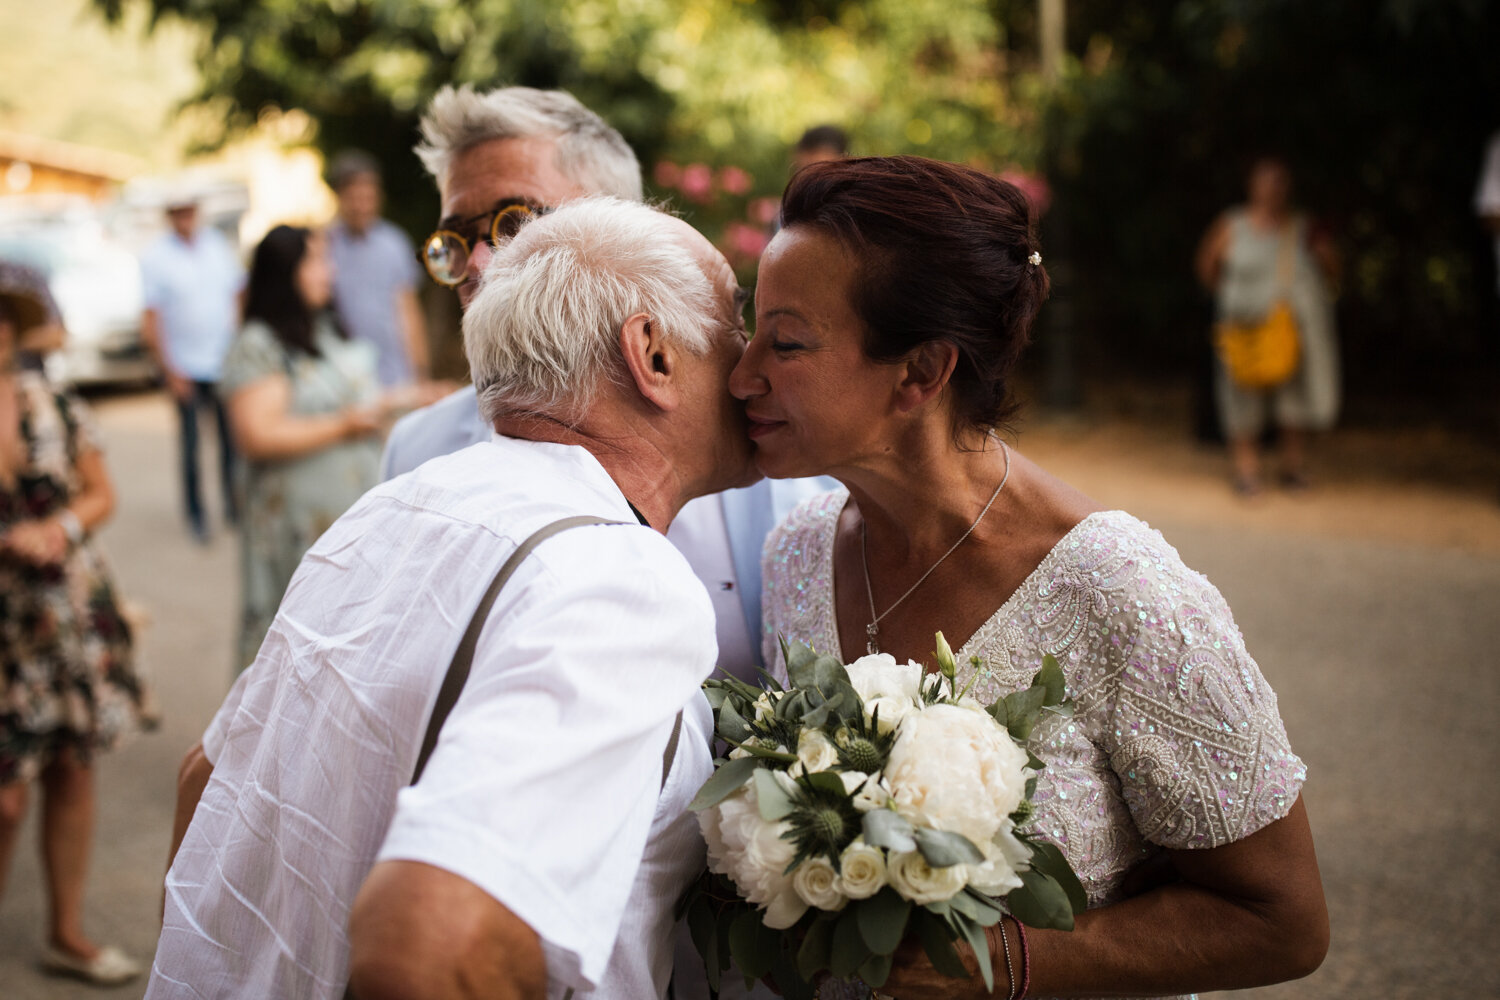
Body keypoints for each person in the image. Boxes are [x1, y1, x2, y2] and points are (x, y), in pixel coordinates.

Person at [735, 156, 1329, 999]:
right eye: (749, 327)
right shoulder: (794, 555)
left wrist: (1008, 965)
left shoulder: (1125, 595)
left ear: (921, 372)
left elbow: (1286, 921)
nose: (741, 373)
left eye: (786, 342)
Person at [148, 196, 757, 999]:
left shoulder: (393, 506)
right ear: (654, 355)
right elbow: (427, 948)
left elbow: (204, 779)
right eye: (732, 324)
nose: (751, 362)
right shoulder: (620, 581)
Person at [382, 84, 831, 685]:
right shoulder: (414, 456)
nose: (483, 266)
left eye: (516, 223)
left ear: (629, 227)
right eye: (455, 243)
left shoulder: (778, 448)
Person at [0, 261, 154, 986]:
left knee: (73, 764)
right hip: (5, 623)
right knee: (5, 796)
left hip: (66, 611)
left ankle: (66, 931)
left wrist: (59, 526)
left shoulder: (54, 404)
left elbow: (101, 494)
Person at [219, 225, 394, 671]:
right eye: (316, 261)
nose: (329, 272)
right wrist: (346, 425)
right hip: (295, 531)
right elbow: (257, 435)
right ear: (284, 272)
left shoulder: (323, 332)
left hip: (347, 523)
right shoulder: (259, 344)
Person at [1195, 155, 1340, 496]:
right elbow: (1207, 266)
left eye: (1281, 180)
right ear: (1252, 184)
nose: (1274, 188)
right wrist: (1235, 299)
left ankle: (1292, 467)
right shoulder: (1231, 223)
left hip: (1287, 330)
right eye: (1267, 179)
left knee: (1293, 396)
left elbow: (1333, 270)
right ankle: (1247, 471)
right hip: (1242, 329)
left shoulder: (1302, 226)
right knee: (1240, 396)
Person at [138, 198, 245, 541]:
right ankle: (196, 514)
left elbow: (236, 295)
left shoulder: (216, 246)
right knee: (191, 445)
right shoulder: (156, 256)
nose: (185, 218)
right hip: (184, 366)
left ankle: (233, 507)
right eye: (178, 212)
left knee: (230, 442)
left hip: (221, 361)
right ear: (169, 215)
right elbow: (151, 318)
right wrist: (169, 370)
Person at [326, 149, 432, 388]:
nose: (361, 206)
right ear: (339, 196)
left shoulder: (394, 243)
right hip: (346, 383)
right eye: (354, 198)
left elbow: (409, 310)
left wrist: (421, 374)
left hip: (396, 377)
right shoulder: (324, 246)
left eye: (368, 197)